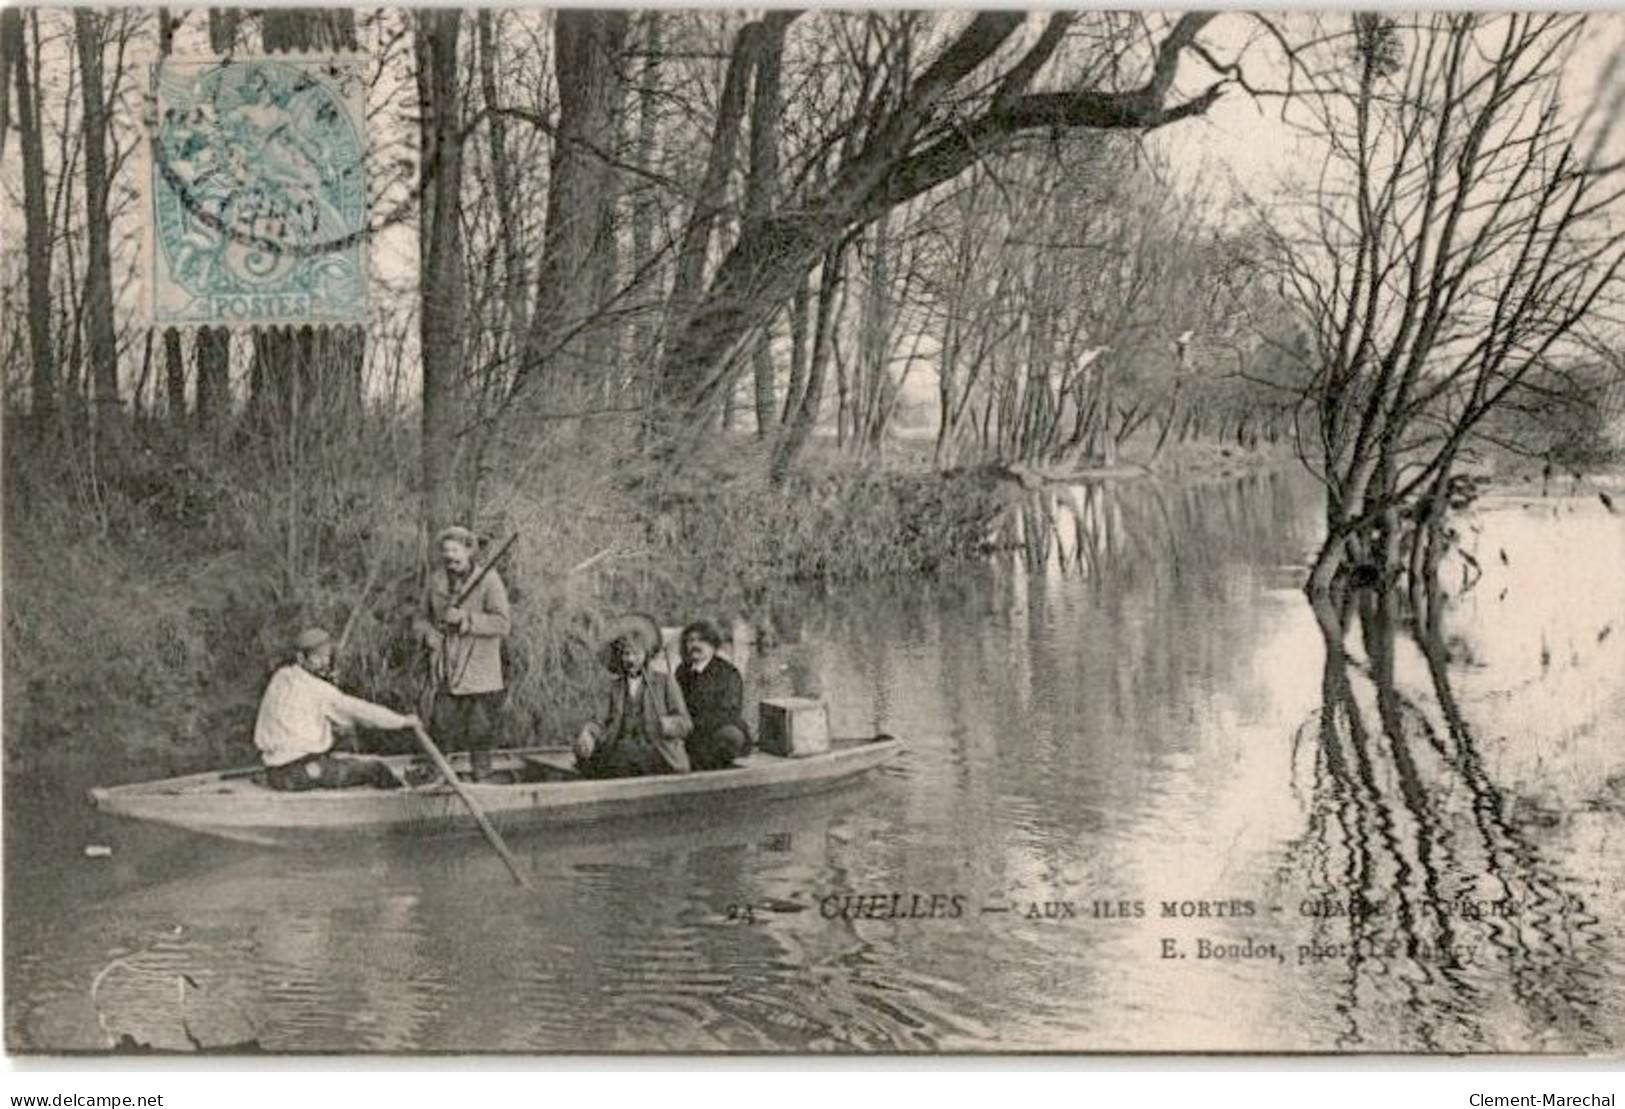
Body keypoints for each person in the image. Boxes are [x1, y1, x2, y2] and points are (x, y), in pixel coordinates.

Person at [254, 627, 417, 791]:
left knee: (343, 757)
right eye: (318, 658)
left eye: (327, 657)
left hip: (275, 771)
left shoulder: (280, 677)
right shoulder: (320, 689)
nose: (325, 663)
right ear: (301, 658)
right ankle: (404, 797)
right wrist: (403, 721)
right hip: (300, 772)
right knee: (376, 769)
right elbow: (362, 712)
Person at [413, 525, 512, 781]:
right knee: (440, 728)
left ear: (469, 551)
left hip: (481, 674)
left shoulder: (489, 580)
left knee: (480, 734)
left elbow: (502, 624)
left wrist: (466, 620)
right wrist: (428, 634)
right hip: (447, 671)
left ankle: (483, 783)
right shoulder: (435, 581)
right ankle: (436, 779)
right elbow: (421, 619)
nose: (450, 556)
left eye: (455, 550)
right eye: (446, 551)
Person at [573, 613, 693, 779]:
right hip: (621, 750)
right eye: (625, 654)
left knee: (627, 757)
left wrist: (669, 725)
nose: (630, 659)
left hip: (659, 753)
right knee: (590, 759)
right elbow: (599, 721)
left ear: (646, 655)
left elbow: (686, 724)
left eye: (635, 654)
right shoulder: (614, 688)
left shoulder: (664, 682)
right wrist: (588, 733)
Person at [675, 619, 753, 770]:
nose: (695, 645)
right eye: (691, 640)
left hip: (717, 730)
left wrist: (693, 726)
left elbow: (728, 712)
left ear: (713, 645)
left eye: (702, 640)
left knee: (730, 736)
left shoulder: (728, 673)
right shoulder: (682, 671)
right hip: (689, 731)